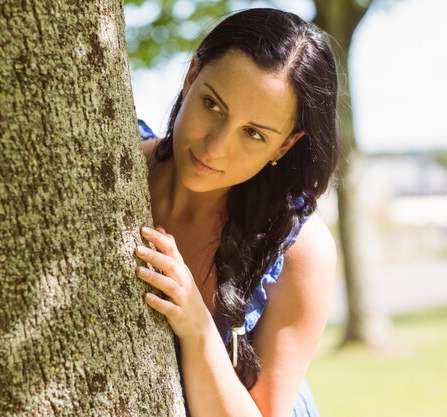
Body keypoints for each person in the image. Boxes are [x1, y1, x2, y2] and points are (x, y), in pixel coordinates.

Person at [134, 8, 338, 417]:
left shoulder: (300, 250)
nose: (215, 147)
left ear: (284, 146)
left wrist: (197, 325)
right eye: (212, 104)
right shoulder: (118, 168)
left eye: (254, 133)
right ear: (191, 76)